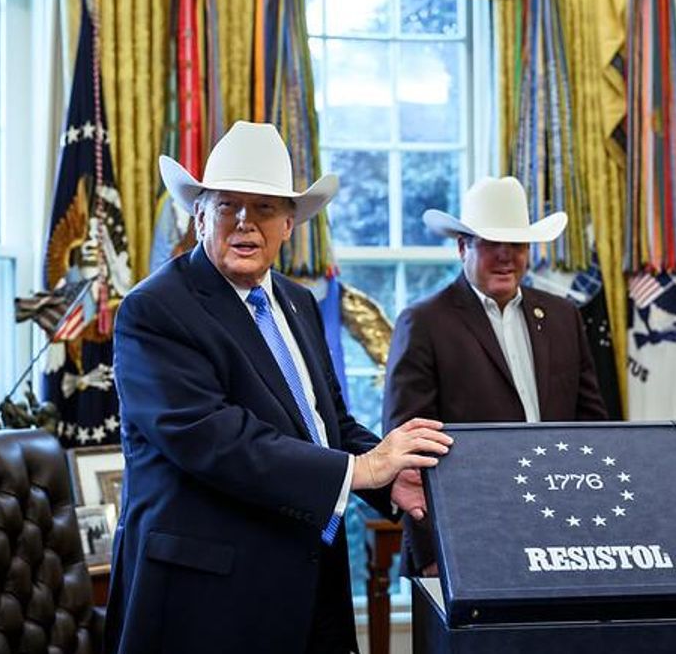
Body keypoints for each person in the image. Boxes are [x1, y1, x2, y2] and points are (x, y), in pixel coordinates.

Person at [104, 121, 452, 653]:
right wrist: (360, 470)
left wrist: (388, 482)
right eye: (228, 206)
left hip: (310, 582)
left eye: (264, 208)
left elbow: (328, 422)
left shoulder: (298, 302)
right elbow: (213, 439)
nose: (245, 222)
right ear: (200, 215)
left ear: (290, 224)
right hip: (208, 602)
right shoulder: (155, 309)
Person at [382, 176, 609, 576]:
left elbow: (591, 427)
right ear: (462, 247)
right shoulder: (424, 322)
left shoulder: (563, 317)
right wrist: (432, 553)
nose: (506, 256)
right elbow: (409, 446)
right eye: (490, 244)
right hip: (466, 538)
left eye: (517, 245)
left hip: (563, 533)